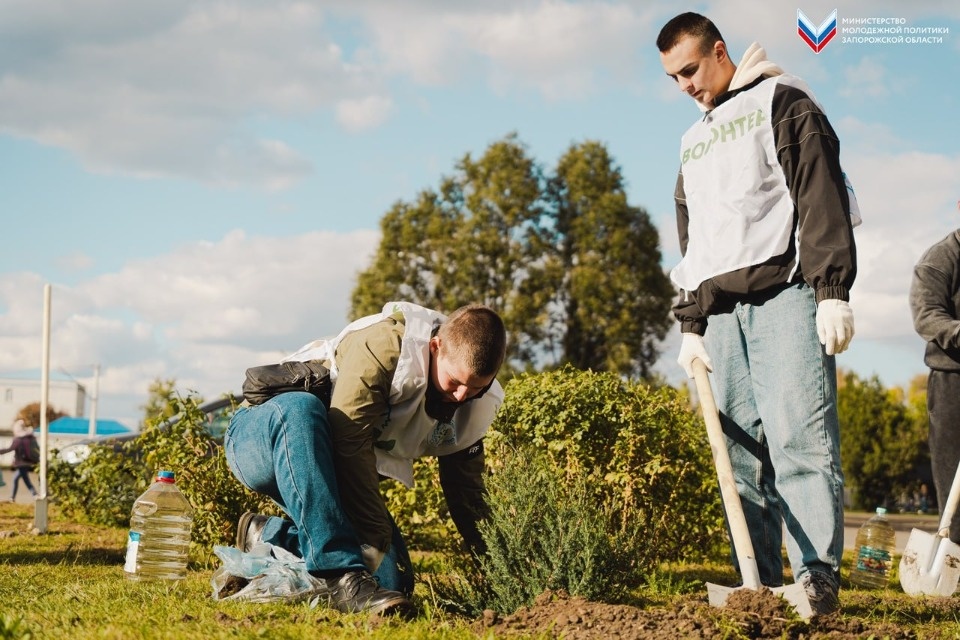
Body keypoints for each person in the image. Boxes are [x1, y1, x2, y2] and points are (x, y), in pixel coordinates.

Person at [656, 13, 858, 615]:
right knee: (739, 456)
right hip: (720, 315)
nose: (685, 85)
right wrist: (691, 323)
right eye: (673, 78)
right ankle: (761, 583)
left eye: (691, 69)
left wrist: (831, 289)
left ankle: (816, 576)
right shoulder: (692, 141)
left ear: (719, 51)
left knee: (800, 439)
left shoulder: (783, 101)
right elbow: (695, 240)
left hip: (784, 296)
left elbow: (819, 192)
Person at [225, 301, 506, 616]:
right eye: (455, 382)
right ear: (435, 347)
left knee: (391, 580)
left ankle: (267, 536)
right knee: (302, 408)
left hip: (328, 471)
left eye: (477, 388)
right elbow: (349, 444)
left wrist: (503, 568)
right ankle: (339, 575)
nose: (462, 396)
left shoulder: (474, 402)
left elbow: (467, 494)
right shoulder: (384, 348)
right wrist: (372, 537)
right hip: (264, 438)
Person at [909, 214, 960, 544]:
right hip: (952, 381)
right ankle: (953, 553)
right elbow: (927, 315)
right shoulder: (939, 259)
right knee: (953, 485)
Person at [0, 420, 39, 502]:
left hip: (21, 464)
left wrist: (1, 451)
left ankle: (34, 494)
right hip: (30, 462)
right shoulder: (30, 438)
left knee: (26, 480)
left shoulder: (18, 439)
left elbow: (10, 449)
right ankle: (12, 497)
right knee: (16, 479)